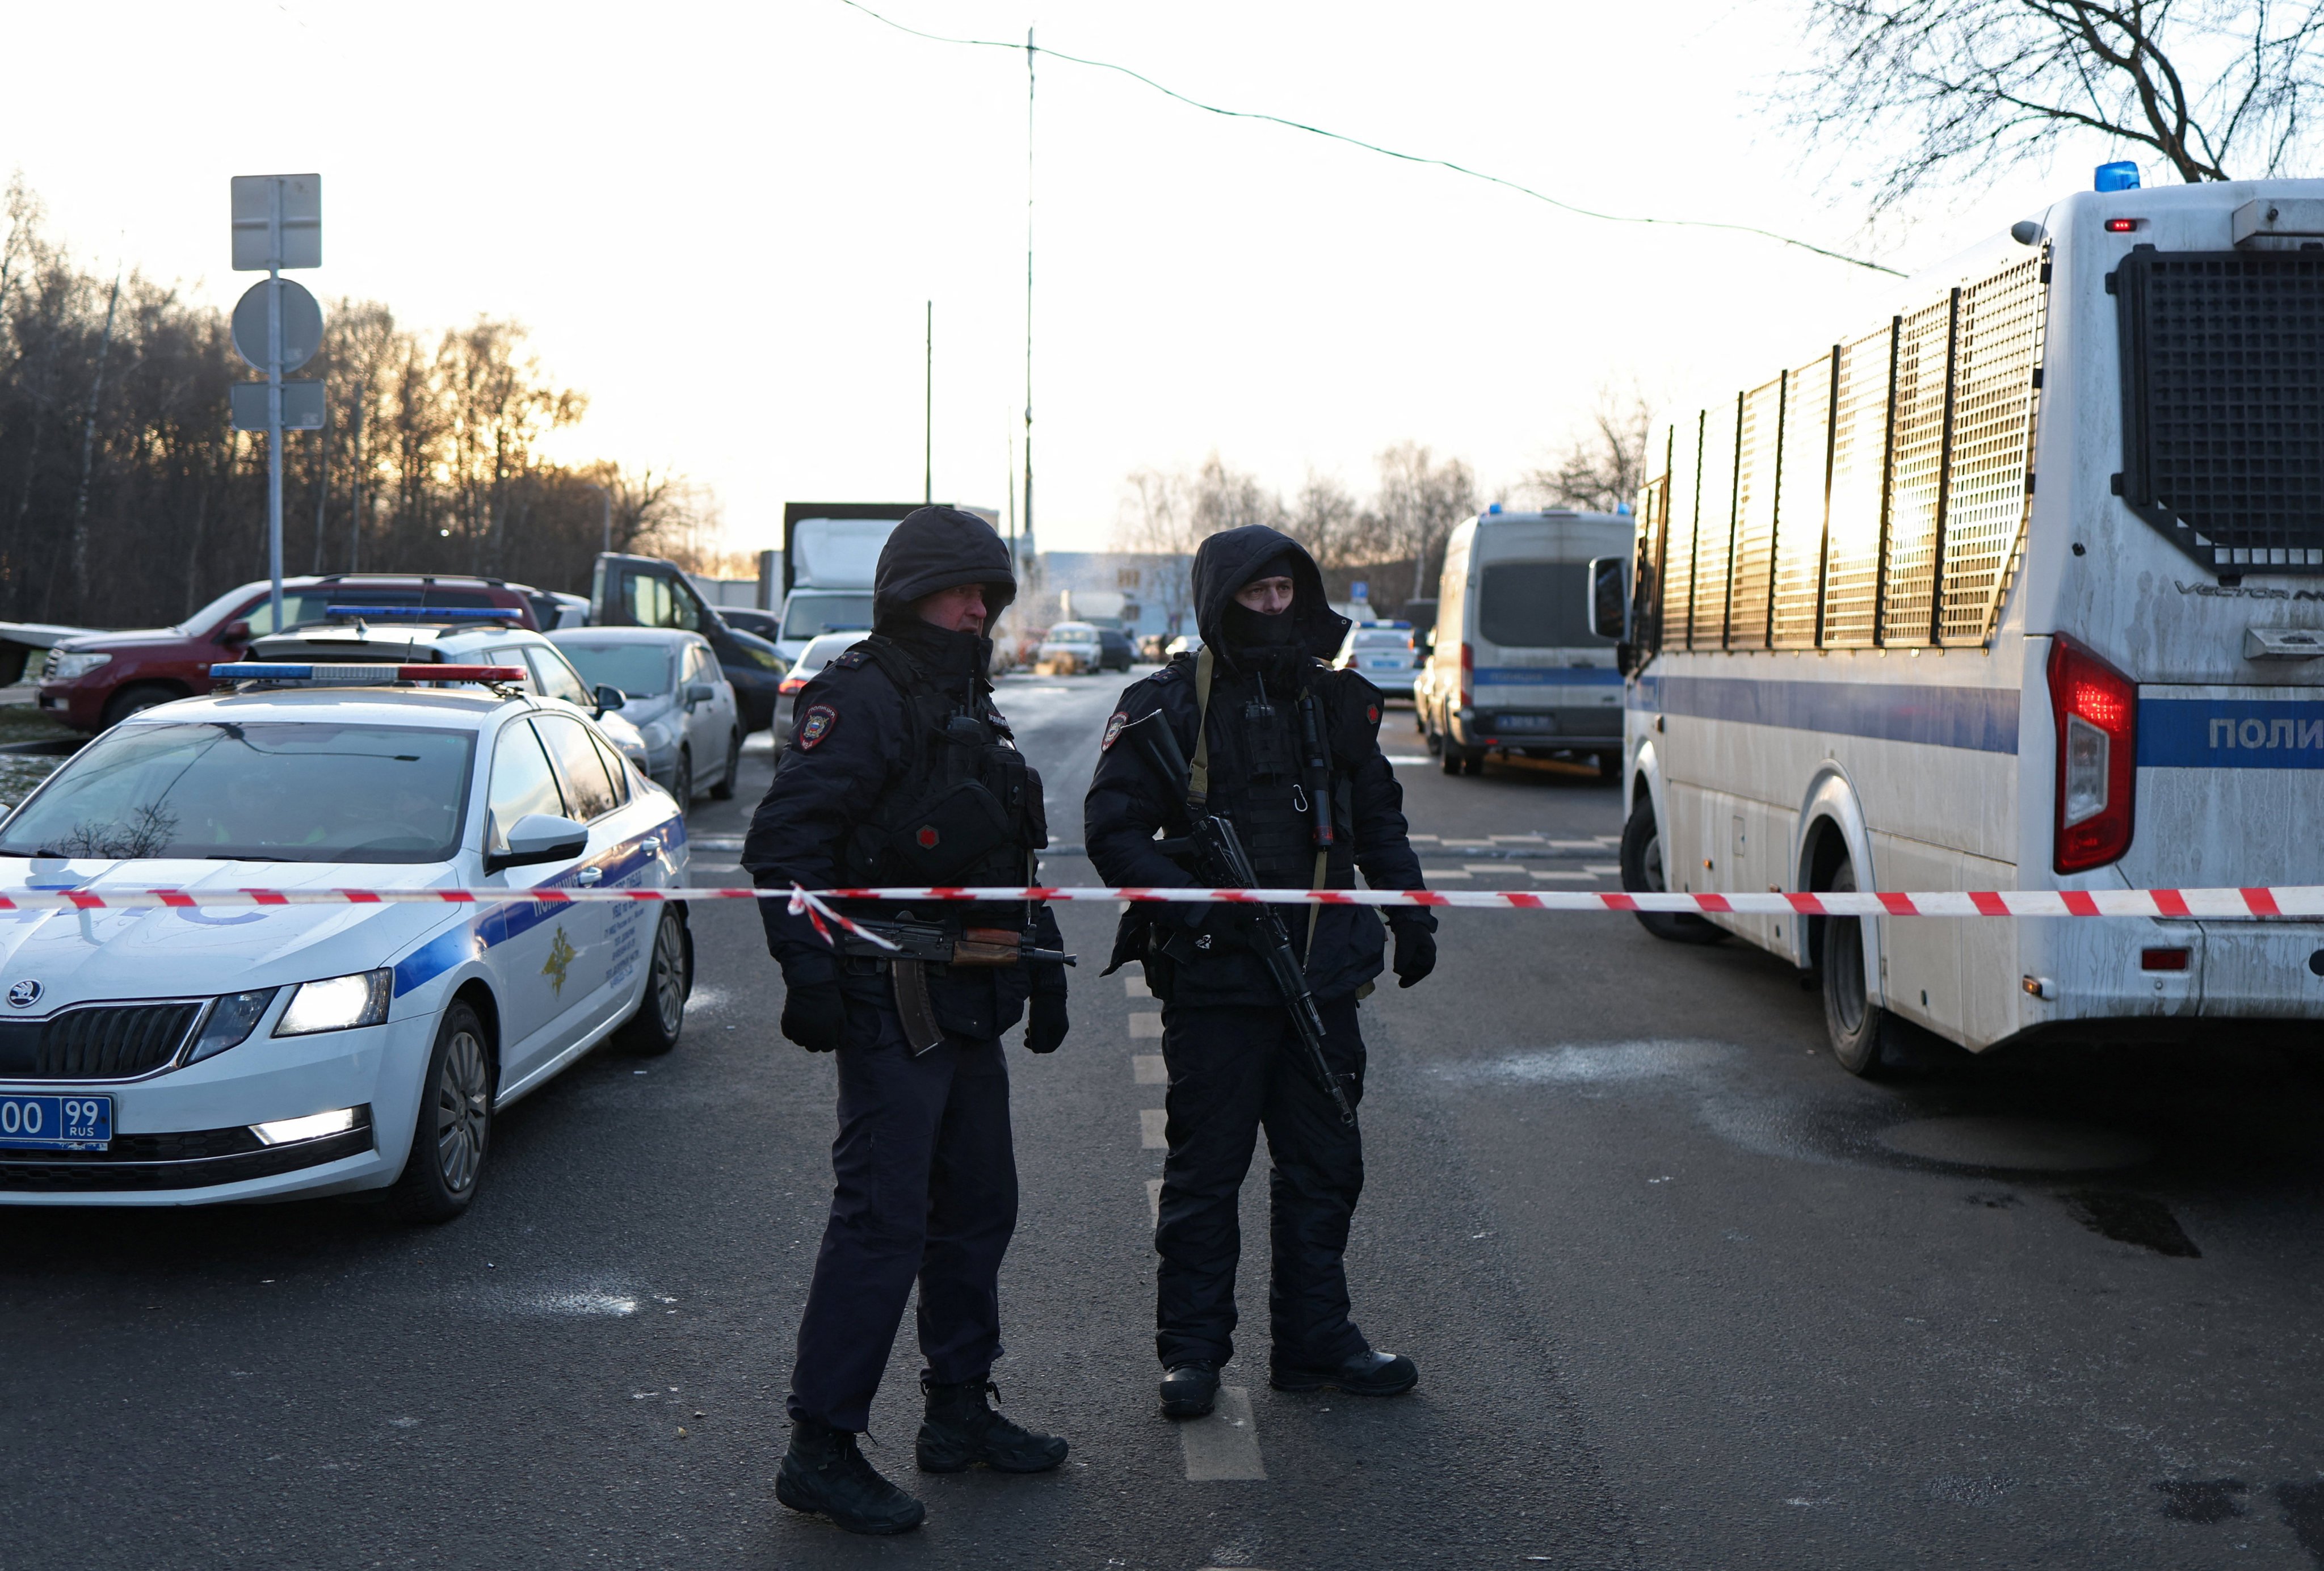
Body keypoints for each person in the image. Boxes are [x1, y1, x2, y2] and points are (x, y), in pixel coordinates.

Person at [742, 505, 1071, 1536]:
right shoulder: (867, 696)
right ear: (911, 591)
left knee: (980, 1208)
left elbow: (1008, 851)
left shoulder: (973, 701)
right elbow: (783, 843)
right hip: (891, 997)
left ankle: (960, 1413)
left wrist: (1041, 960)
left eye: (992, 595)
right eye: (966, 591)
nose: (982, 609)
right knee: (882, 1224)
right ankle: (821, 1446)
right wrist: (808, 975)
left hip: (971, 996)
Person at [1083, 524, 1438, 1419]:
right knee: (1206, 1175)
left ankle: (1316, 1341)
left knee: (1325, 1167)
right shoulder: (1167, 707)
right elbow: (1114, 833)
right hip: (1215, 987)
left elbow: (1381, 819)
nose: (1276, 608)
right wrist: (1200, 906)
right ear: (1220, 600)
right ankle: (1194, 1355)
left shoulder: (1336, 703)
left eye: (1286, 591)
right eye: (1257, 594)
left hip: (1320, 979)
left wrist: (1409, 912)